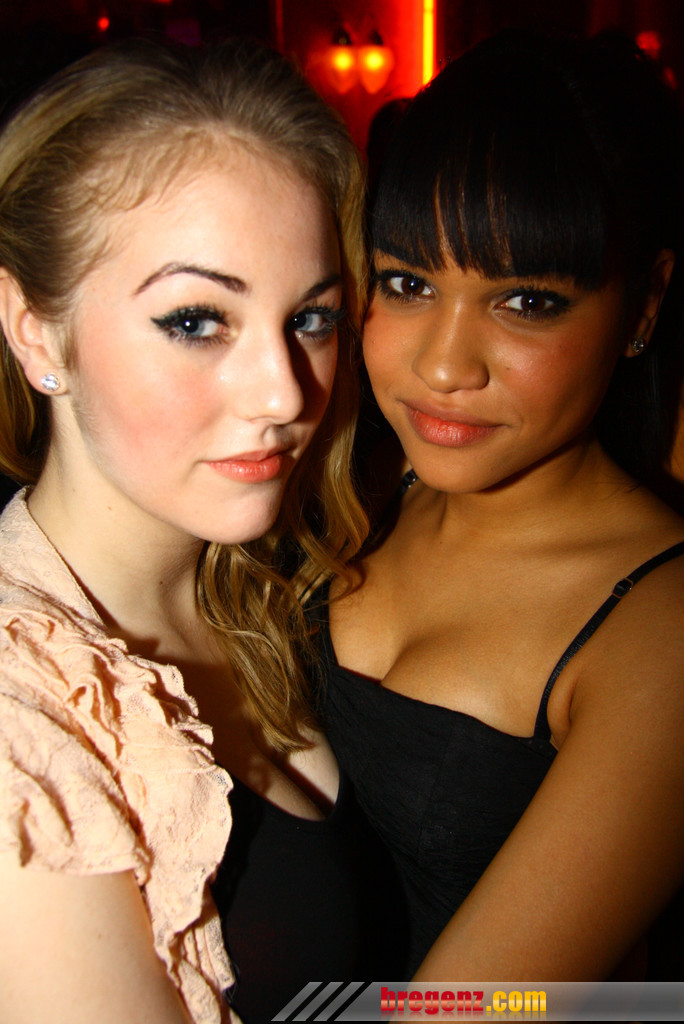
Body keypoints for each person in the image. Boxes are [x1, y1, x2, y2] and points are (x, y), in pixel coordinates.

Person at [0, 38, 373, 1024]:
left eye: (312, 319)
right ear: (35, 327)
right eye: (197, 320)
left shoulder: (265, 582)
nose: (284, 393)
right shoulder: (21, 747)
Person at [316, 31, 684, 981]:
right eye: (407, 284)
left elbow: (483, 1006)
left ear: (644, 306)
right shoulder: (352, 483)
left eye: (526, 303)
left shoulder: (661, 628)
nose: (444, 367)